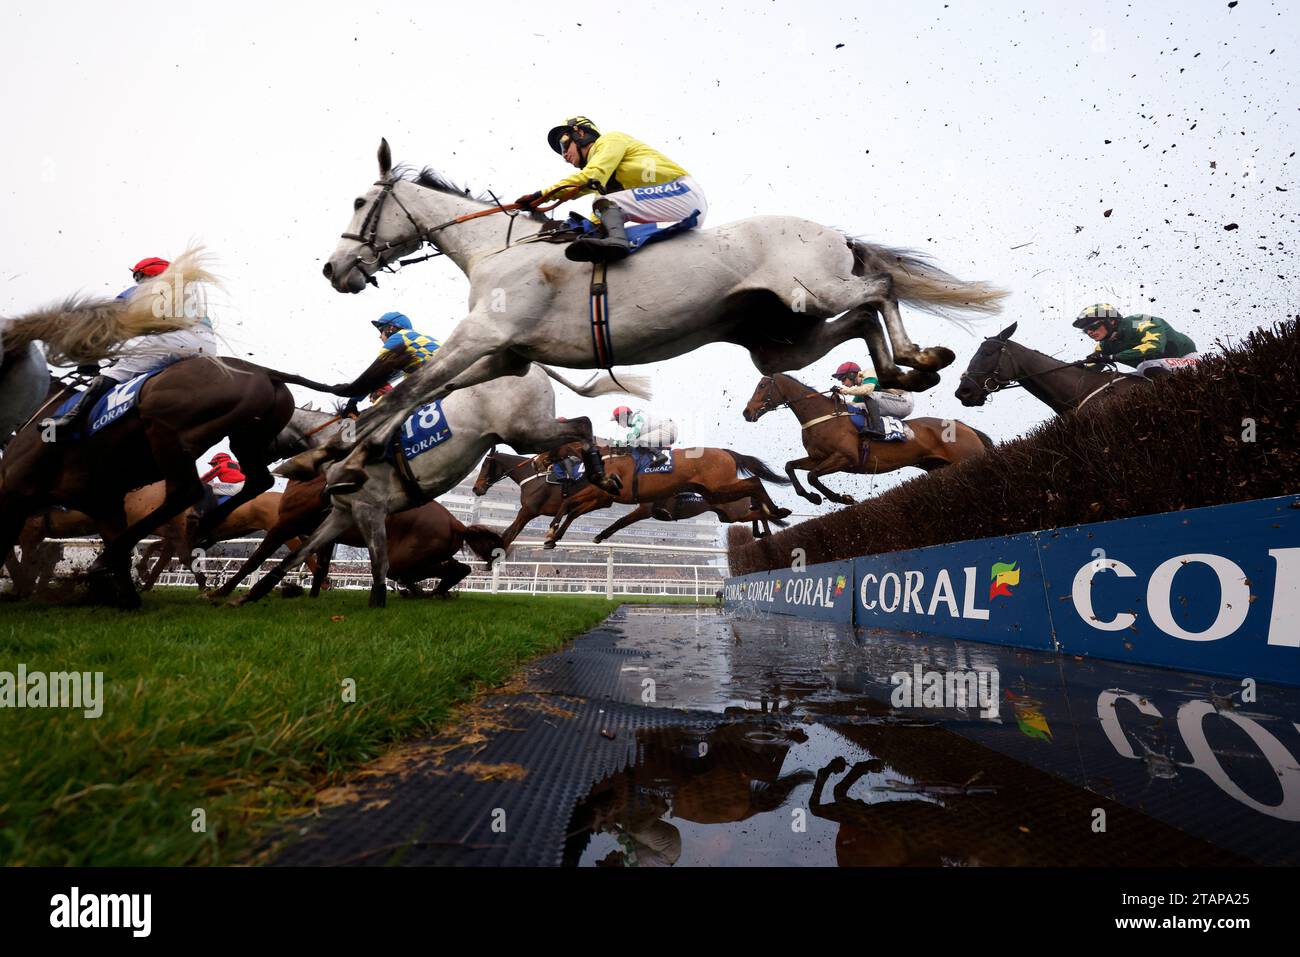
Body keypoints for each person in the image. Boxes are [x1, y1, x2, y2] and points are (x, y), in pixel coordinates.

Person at [49, 257, 219, 438]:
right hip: (208, 346)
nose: (137, 282)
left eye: (137, 277)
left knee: (115, 373)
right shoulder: (185, 293)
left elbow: (106, 320)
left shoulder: (143, 290)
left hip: (174, 342)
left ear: (145, 274)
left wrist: (90, 358)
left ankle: (71, 419)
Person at [513, 116, 707, 263]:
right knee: (602, 208)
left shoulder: (611, 140)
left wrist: (542, 196)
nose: (564, 156)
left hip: (682, 192)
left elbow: (590, 176)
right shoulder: (605, 189)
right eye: (561, 152)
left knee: (603, 203)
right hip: (675, 206)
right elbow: (600, 218)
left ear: (580, 133)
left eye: (564, 145)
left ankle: (618, 244)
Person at [1073, 304, 1199, 377]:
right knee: (1122, 380)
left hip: (1186, 359)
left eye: (1092, 327)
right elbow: (1092, 368)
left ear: (1111, 321)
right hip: (1155, 368)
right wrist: (1080, 368)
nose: (1089, 332)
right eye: (1085, 330)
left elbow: (1154, 345)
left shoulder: (1139, 321)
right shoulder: (1104, 345)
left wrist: (1113, 357)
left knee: (1146, 366)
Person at [831, 361, 914, 440]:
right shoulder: (861, 388)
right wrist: (840, 401)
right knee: (857, 407)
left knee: (868, 394)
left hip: (904, 401)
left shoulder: (868, 373)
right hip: (893, 406)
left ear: (851, 374)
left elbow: (867, 390)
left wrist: (843, 390)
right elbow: (853, 405)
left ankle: (878, 429)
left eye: (843, 379)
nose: (842, 383)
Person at [611, 406, 677, 468]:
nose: (618, 423)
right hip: (666, 431)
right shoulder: (636, 419)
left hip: (667, 430)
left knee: (638, 441)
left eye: (618, 420)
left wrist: (614, 443)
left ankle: (660, 455)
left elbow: (631, 437)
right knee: (636, 443)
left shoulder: (637, 418)